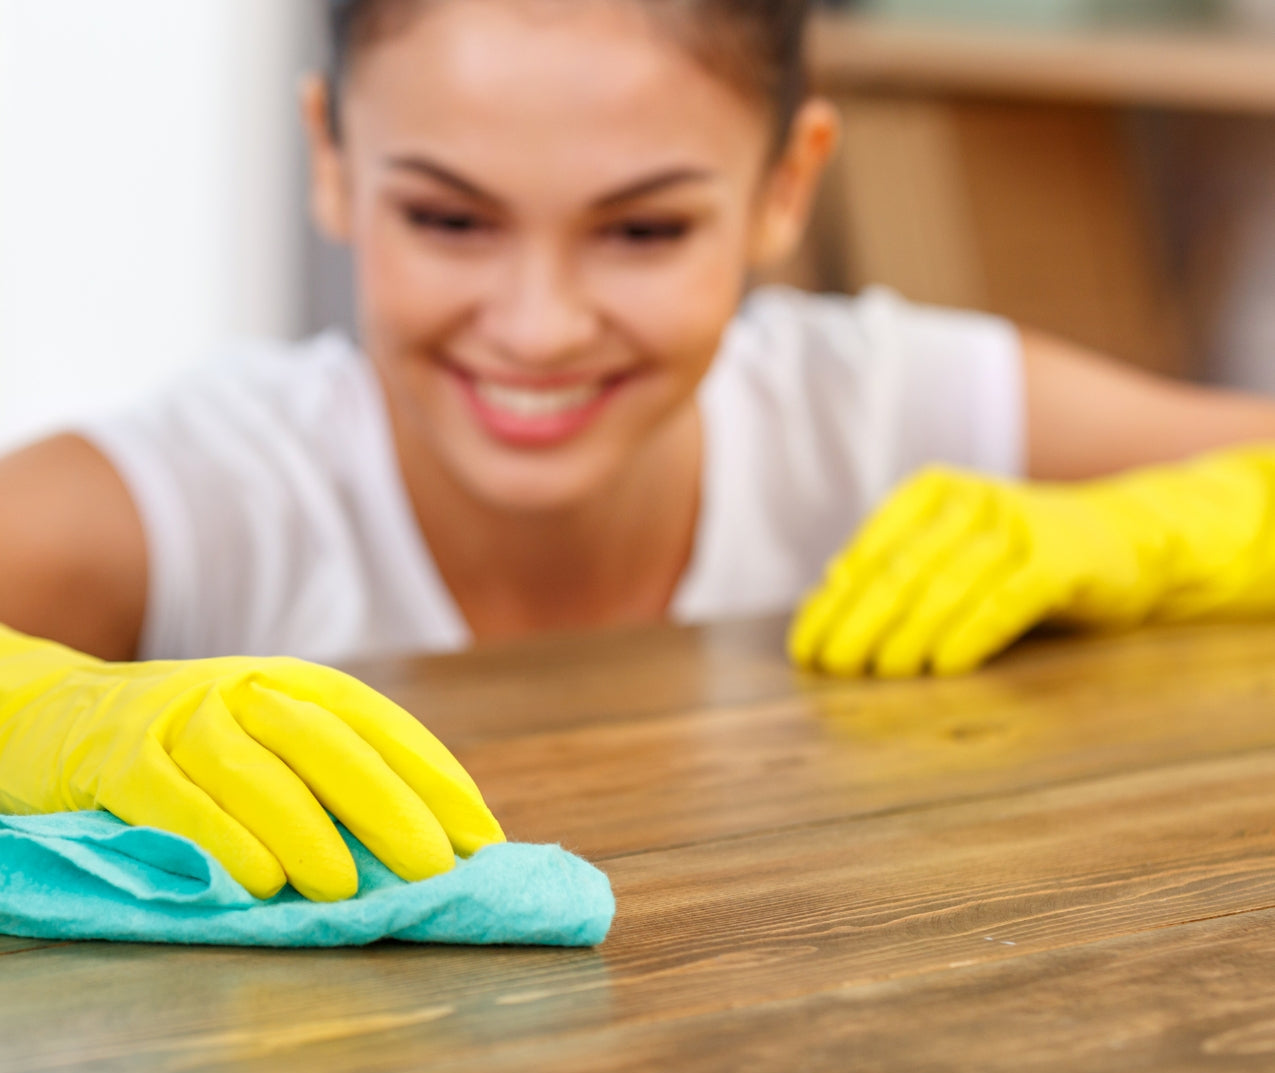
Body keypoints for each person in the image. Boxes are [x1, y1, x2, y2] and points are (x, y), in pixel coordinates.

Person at [3, 0, 1275, 901]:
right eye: (449, 218)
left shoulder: (877, 406)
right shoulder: (214, 490)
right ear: (331, 157)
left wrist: (1158, 533)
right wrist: (45, 717)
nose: (540, 326)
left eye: (644, 231)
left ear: (787, 184)